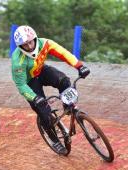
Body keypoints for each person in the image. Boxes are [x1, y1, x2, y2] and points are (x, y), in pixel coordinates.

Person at [11, 25, 90, 154]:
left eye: (31, 42)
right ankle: (54, 140)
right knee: (44, 112)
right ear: (20, 47)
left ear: (35, 38)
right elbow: (20, 85)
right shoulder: (17, 61)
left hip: (41, 71)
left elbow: (63, 53)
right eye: (25, 45)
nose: (30, 47)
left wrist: (79, 66)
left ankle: (67, 105)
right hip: (29, 82)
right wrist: (34, 98)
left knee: (64, 80)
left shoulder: (45, 43)